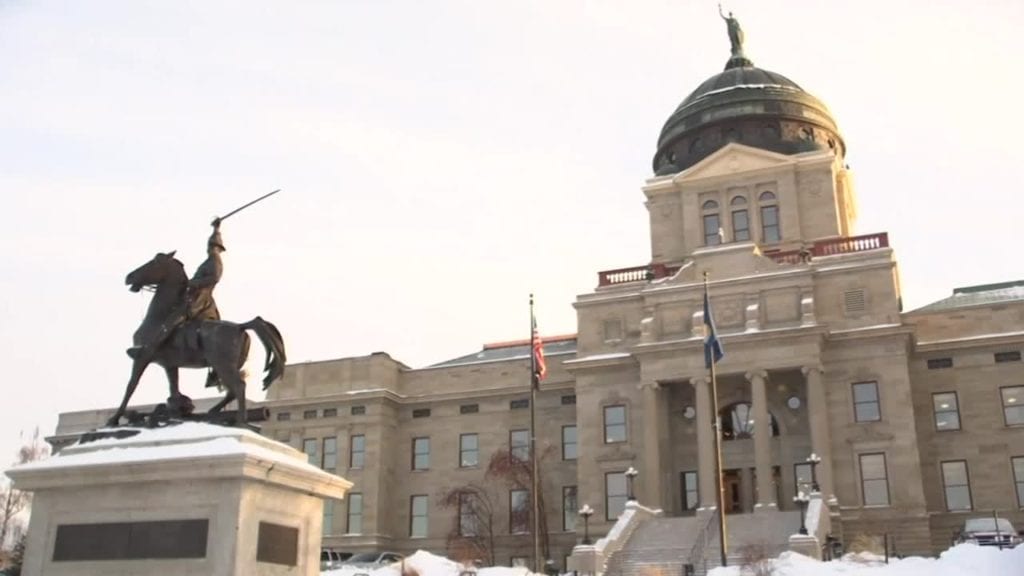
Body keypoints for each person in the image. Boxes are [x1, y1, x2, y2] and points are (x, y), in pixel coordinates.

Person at [127, 219, 225, 359]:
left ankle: (151, 348)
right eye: (210, 245)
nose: (209, 248)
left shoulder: (215, 260)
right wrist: (216, 228)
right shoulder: (210, 259)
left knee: (173, 318)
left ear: (217, 247)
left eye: (212, 245)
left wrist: (192, 284)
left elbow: (214, 278)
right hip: (195, 294)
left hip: (201, 298)